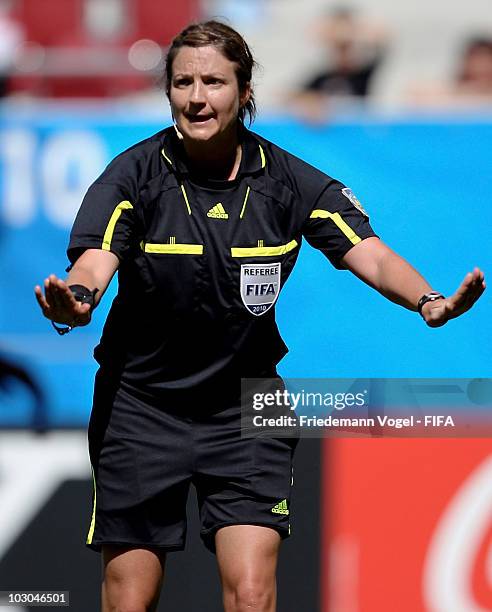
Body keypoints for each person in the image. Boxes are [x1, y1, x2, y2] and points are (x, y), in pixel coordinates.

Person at [34, 20, 485, 612]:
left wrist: (429, 302)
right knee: (129, 601)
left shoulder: (290, 182)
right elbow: (95, 262)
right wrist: (79, 299)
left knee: (252, 595)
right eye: (183, 83)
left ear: (245, 92)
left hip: (249, 408)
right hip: (140, 409)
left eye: (214, 82)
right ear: (167, 91)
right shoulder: (131, 177)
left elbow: (368, 254)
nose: (197, 97)